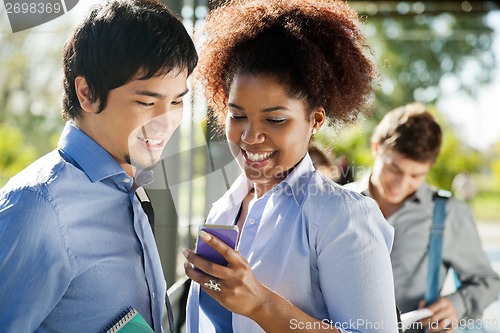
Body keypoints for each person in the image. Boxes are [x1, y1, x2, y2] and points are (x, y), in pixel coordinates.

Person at [182, 1, 399, 332]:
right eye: (237, 115)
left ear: (315, 120)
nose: (251, 136)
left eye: (275, 119)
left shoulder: (343, 218)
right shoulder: (223, 211)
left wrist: (262, 306)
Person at [0, 0, 197, 331]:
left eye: (177, 101)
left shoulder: (127, 188)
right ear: (87, 92)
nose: (166, 122)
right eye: (146, 102)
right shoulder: (38, 207)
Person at [346, 103, 500, 333]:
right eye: (394, 168)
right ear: (376, 148)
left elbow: (488, 282)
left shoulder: (449, 213)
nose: (401, 184)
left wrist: (457, 305)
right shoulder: (339, 203)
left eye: (416, 175)